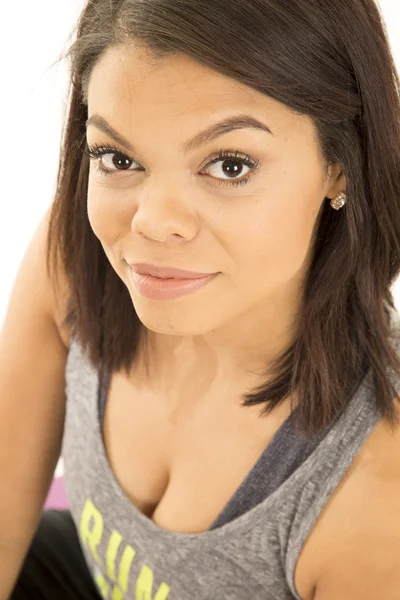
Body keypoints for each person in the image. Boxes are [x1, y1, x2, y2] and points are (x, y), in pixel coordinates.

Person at [3, 0, 400, 598]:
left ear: (339, 167)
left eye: (230, 165)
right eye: (119, 158)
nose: (155, 223)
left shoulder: (375, 497)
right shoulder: (74, 260)